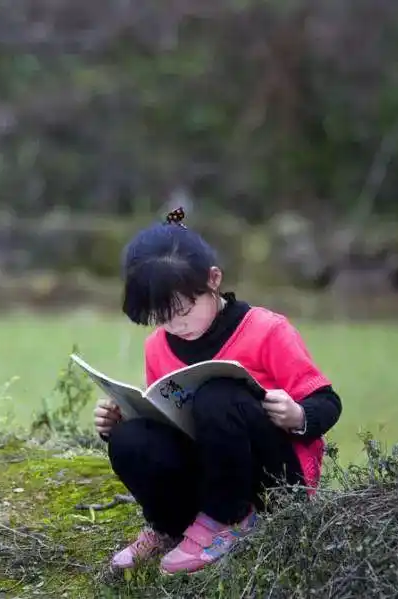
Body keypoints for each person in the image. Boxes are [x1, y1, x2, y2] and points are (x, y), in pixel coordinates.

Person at [94, 208, 342, 576]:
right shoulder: (158, 346)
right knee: (131, 436)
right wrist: (118, 421)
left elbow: (328, 402)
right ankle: (170, 527)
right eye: (160, 318)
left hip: (273, 481)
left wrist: (298, 415)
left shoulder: (267, 330)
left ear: (213, 280)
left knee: (217, 396)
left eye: (183, 310)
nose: (176, 325)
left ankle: (230, 521)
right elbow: (168, 420)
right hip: (209, 473)